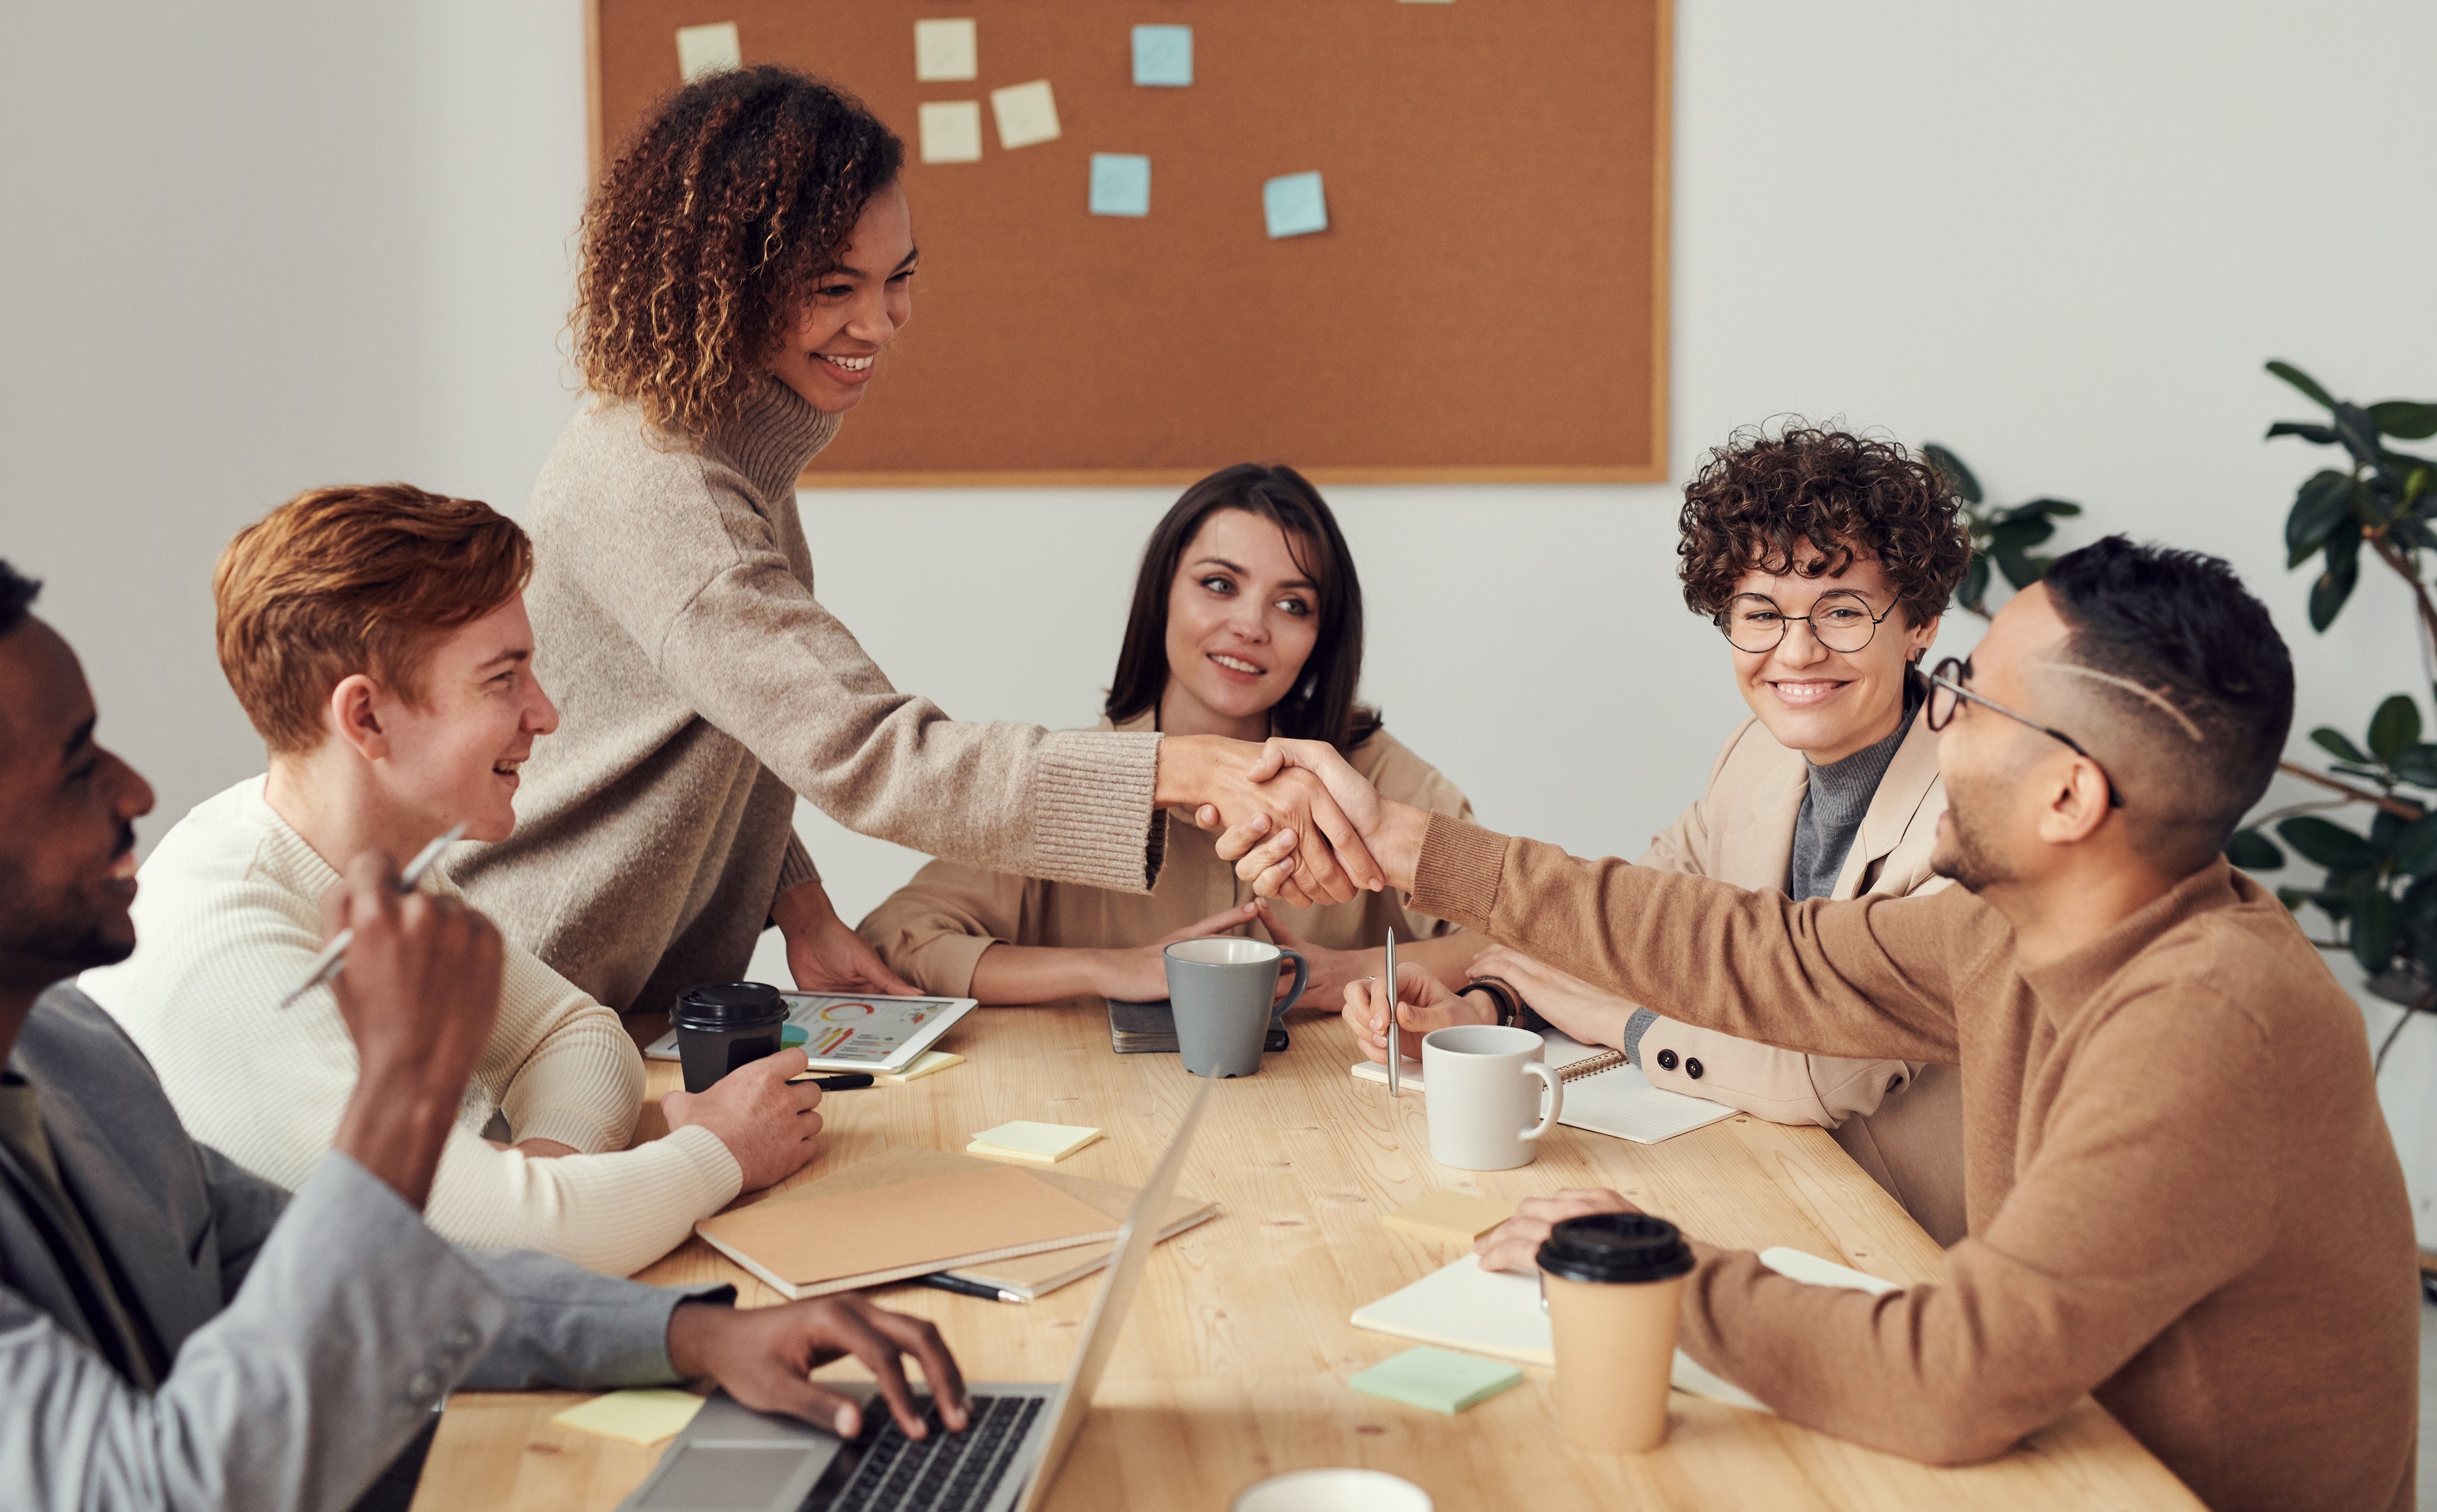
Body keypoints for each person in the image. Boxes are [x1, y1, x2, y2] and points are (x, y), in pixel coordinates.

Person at [1258, 538, 2416, 1512]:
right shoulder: (2015, 928)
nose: (1936, 713)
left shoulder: (2212, 1020)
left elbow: (1951, 1375)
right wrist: (1416, 848)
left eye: (1966, 692)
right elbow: (1763, 952)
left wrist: (1653, 1267)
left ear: (2069, 796)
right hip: (2063, 1454)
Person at [0, 547, 970, 1510]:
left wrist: (693, 1334)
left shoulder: (67, 1048)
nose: (136, 788)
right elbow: (167, 1490)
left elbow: (349, 1272)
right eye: (79, 765)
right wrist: (406, 1090)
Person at [448, 66, 1376, 1015]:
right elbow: (875, 752)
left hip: (620, 1001)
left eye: (900, 279)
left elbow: (736, 717)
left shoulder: (722, 446)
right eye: (835, 286)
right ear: (728, 284)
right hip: (527, 997)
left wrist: (798, 902)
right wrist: (1174, 767)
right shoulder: (669, 488)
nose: (881, 321)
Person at [80, 486, 814, 1277]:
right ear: (364, 719)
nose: (545, 715)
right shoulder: (232, 948)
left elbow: (575, 1034)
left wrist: (542, 1181)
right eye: (503, 679)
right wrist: (718, 1150)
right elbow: (490, 1255)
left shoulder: (370, 859)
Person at [1415, 425, 1974, 1242]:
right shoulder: (1754, 754)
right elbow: (1632, 925)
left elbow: (1821, 1074)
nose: (1797, 650)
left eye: (1842, 611)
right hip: (1764, 1181)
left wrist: (1624, 1023)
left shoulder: (1971, 813)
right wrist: (1492, 1000)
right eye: (1760, 613)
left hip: (1913, 1241)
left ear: (1919, 620)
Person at [856, 465, 1476, 1009]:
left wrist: (1354, 972)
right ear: (1162, 596)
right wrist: (1106, 967)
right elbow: (897, 937)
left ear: (1323, 638)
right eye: (1219, 584)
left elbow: (1527, 937)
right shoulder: (1073, 780)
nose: (1250, 625)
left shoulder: (1372, 776)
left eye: (1292, 605)